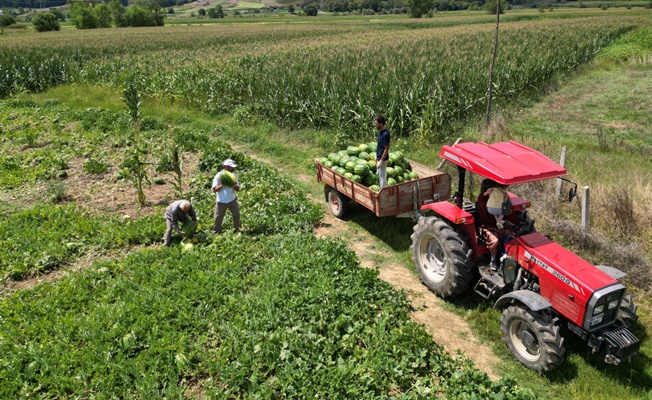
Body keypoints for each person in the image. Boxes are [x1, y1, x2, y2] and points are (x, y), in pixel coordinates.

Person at [212, 158, 241, 234]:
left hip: (232, 200)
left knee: (236, 214)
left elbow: (238, 189)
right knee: (218, 217)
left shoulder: (234, 176)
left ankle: (236, 229)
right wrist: (221, 185)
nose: (233, 168)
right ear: (226, 167)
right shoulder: (218, 176)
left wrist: (234, 187)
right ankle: (216, 232)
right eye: (231, 167)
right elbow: (214, 190)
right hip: (221, 201)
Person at [374, 114, 390, 188]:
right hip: (379, 157)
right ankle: (383, 187)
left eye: (376, 123)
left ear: (381, 124)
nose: (375, 125)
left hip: (383, 159)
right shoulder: (380, 131)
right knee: (381, 174)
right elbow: (379, 145)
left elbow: (386, 149)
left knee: (382, 176)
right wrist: (376, 156)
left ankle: (383, 192)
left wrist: (381, 160)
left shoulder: (385, 134)